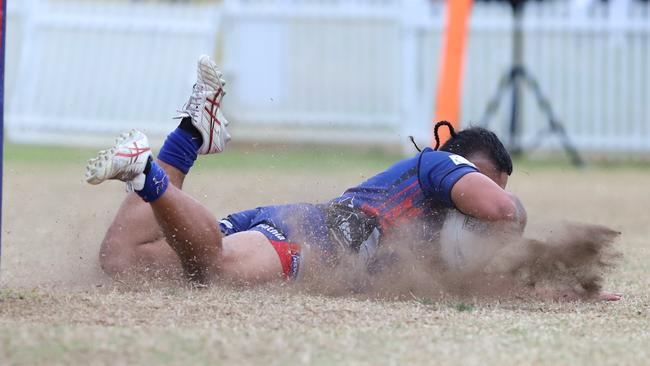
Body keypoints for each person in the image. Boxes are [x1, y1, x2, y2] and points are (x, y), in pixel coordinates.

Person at [85, 55, 618, 300]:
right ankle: (148, 173)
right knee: (215, 269)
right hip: (310, 239)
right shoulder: (439, 164)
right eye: (483, 184)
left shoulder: (432, 244)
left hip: (290, 222)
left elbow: (484, 286)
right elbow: (504, 212)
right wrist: (511, 221)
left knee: (122, 261)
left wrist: (562, 291)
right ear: (459, 164)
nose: (481, 206)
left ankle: (189, 135)